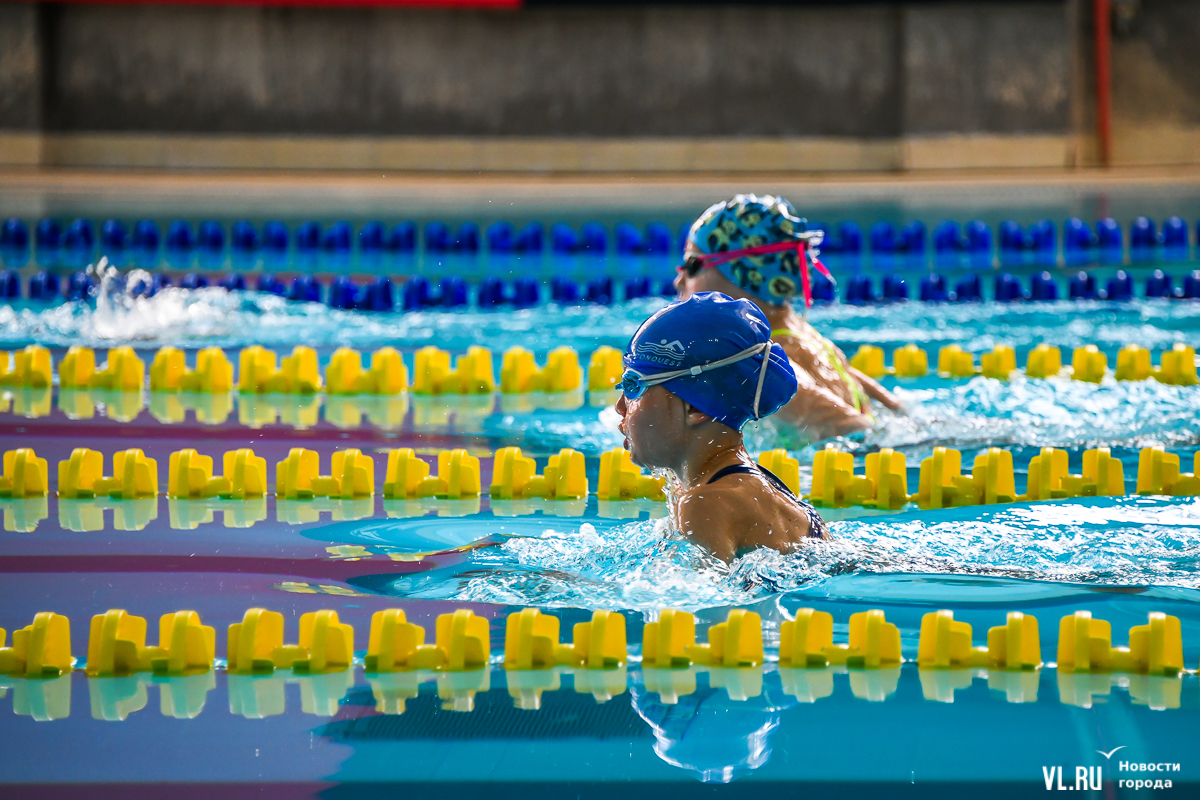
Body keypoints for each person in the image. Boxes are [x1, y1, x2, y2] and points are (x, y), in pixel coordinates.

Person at [615, 291, 829, 561]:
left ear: (696, 406)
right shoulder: (762, 487)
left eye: (634, 387)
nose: (620, 407)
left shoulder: (706, 504)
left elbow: (698, 599)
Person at [674, 194, 902, 441]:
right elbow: (893, 409)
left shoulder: (762, 358)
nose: (679, 280)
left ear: (743, 273)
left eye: (692, 264)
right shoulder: (802, 334)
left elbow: (852, 428)